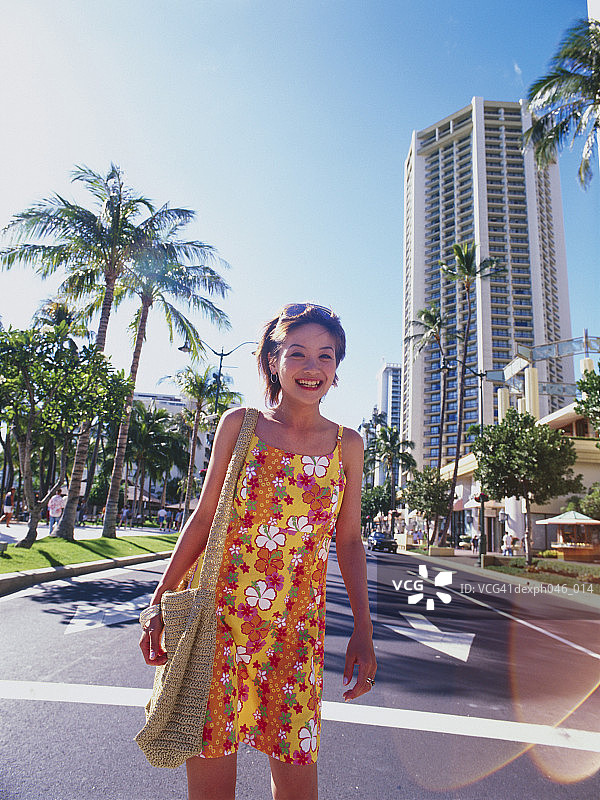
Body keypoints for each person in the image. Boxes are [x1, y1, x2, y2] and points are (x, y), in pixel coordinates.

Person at [139, 303, 376, 800]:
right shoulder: (239, 425)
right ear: (273, 361)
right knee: (210, 786)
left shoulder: (348, 445)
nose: (312, 368)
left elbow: (348, 540)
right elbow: (203, 518)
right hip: (218, 627)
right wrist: (159, 600)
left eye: (326, 356)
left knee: (296, 781)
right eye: (298, 354)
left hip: (296, 632)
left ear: (336, 369)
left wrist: (363, 628)